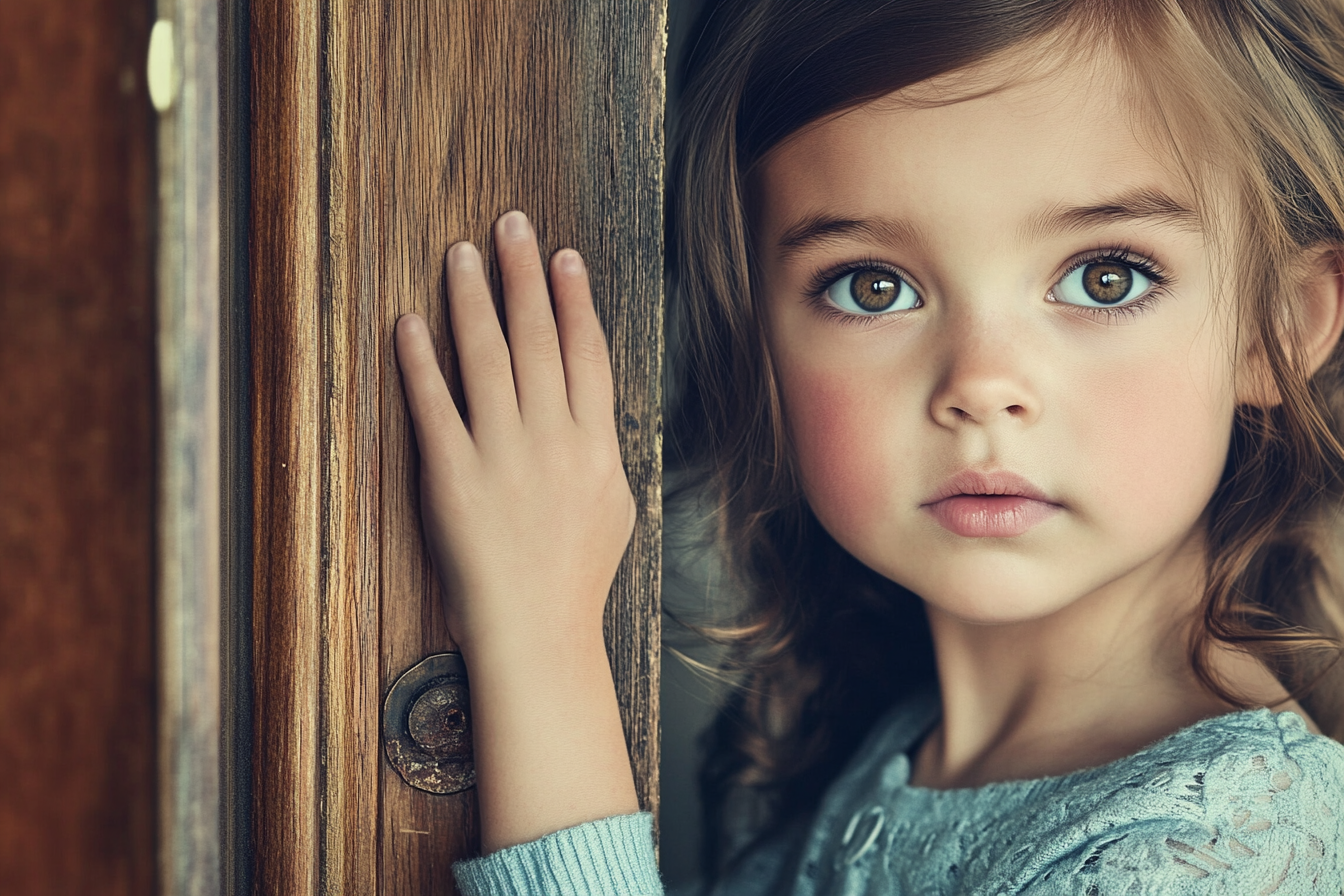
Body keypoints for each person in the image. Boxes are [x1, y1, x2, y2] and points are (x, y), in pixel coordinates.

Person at [392, 0, 1344, 892]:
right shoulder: (839, 744)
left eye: (1103, 278)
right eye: (872, 288)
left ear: (1280, 326)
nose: (980, 384)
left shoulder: (1221, 851)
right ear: (756, 337)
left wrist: (539, 638)